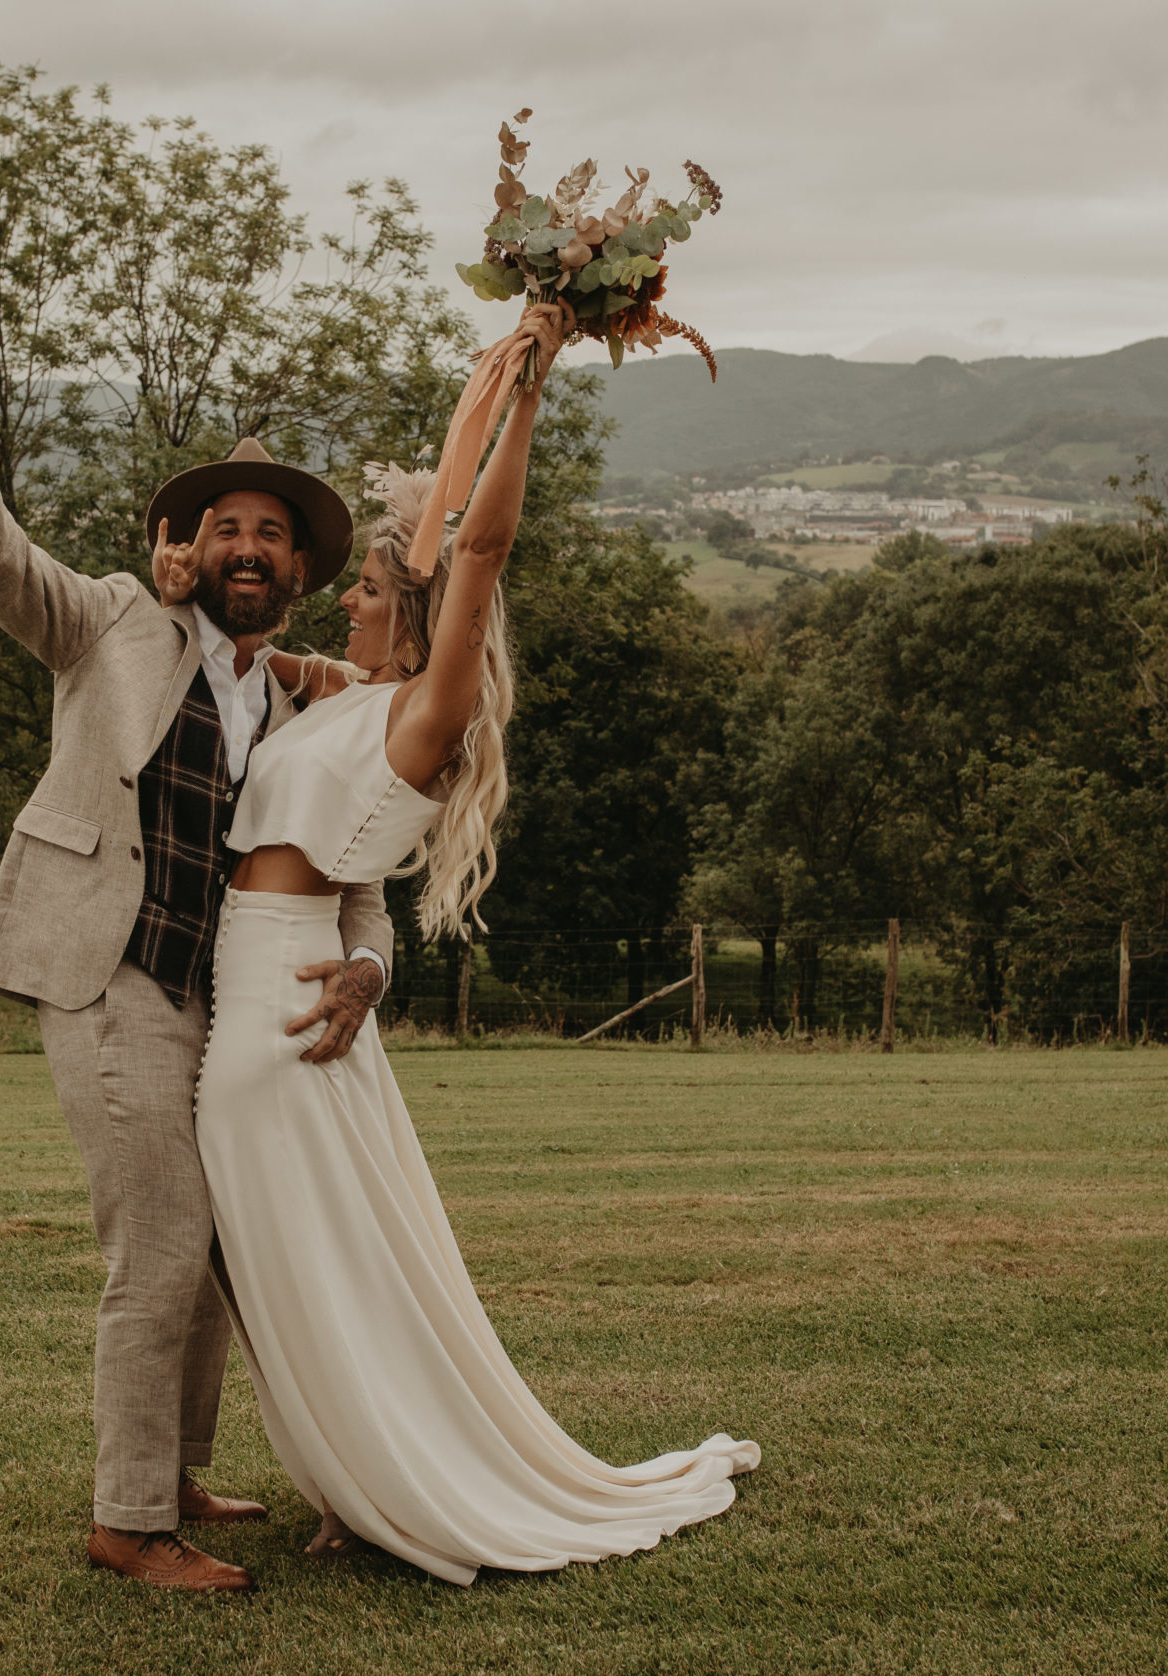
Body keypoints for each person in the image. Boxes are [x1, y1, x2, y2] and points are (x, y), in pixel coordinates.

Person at [162, 299, 761, 1586]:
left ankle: (378, 1482)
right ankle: (349, 1476)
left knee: (300, 1268)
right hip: (277, 997)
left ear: (418, 615)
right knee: (310, 1263)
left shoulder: (419, 718)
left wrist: (526, 396)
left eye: (372, 590)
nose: (358, 603)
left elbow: (476, 544)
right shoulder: (342, 697)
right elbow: (240, 645)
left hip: (275, 1019)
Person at [0, 286, 395, 1593]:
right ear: (187, 545)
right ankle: (128, 1520)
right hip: (110, 980)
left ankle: (174, 1473)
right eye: (229, 526)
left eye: (274, 534)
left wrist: (375, 960)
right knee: (159, 1242)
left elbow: (352, 854)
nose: (251, 546)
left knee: (220, 1242)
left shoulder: (299, 693)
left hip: (224, 1000)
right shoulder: (112, 623)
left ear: (300, 572)